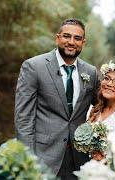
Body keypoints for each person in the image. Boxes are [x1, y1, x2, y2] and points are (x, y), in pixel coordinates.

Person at [14, 18, 100, 179]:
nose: (71, 42)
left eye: (77, 38)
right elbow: (23, 119)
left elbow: (104, 108)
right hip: (43, 159)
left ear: (83, 42)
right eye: (67, 36)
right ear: (57, 37)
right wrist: (28, 162)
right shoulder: (33, 67)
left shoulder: (91, 72)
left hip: (80, 159)